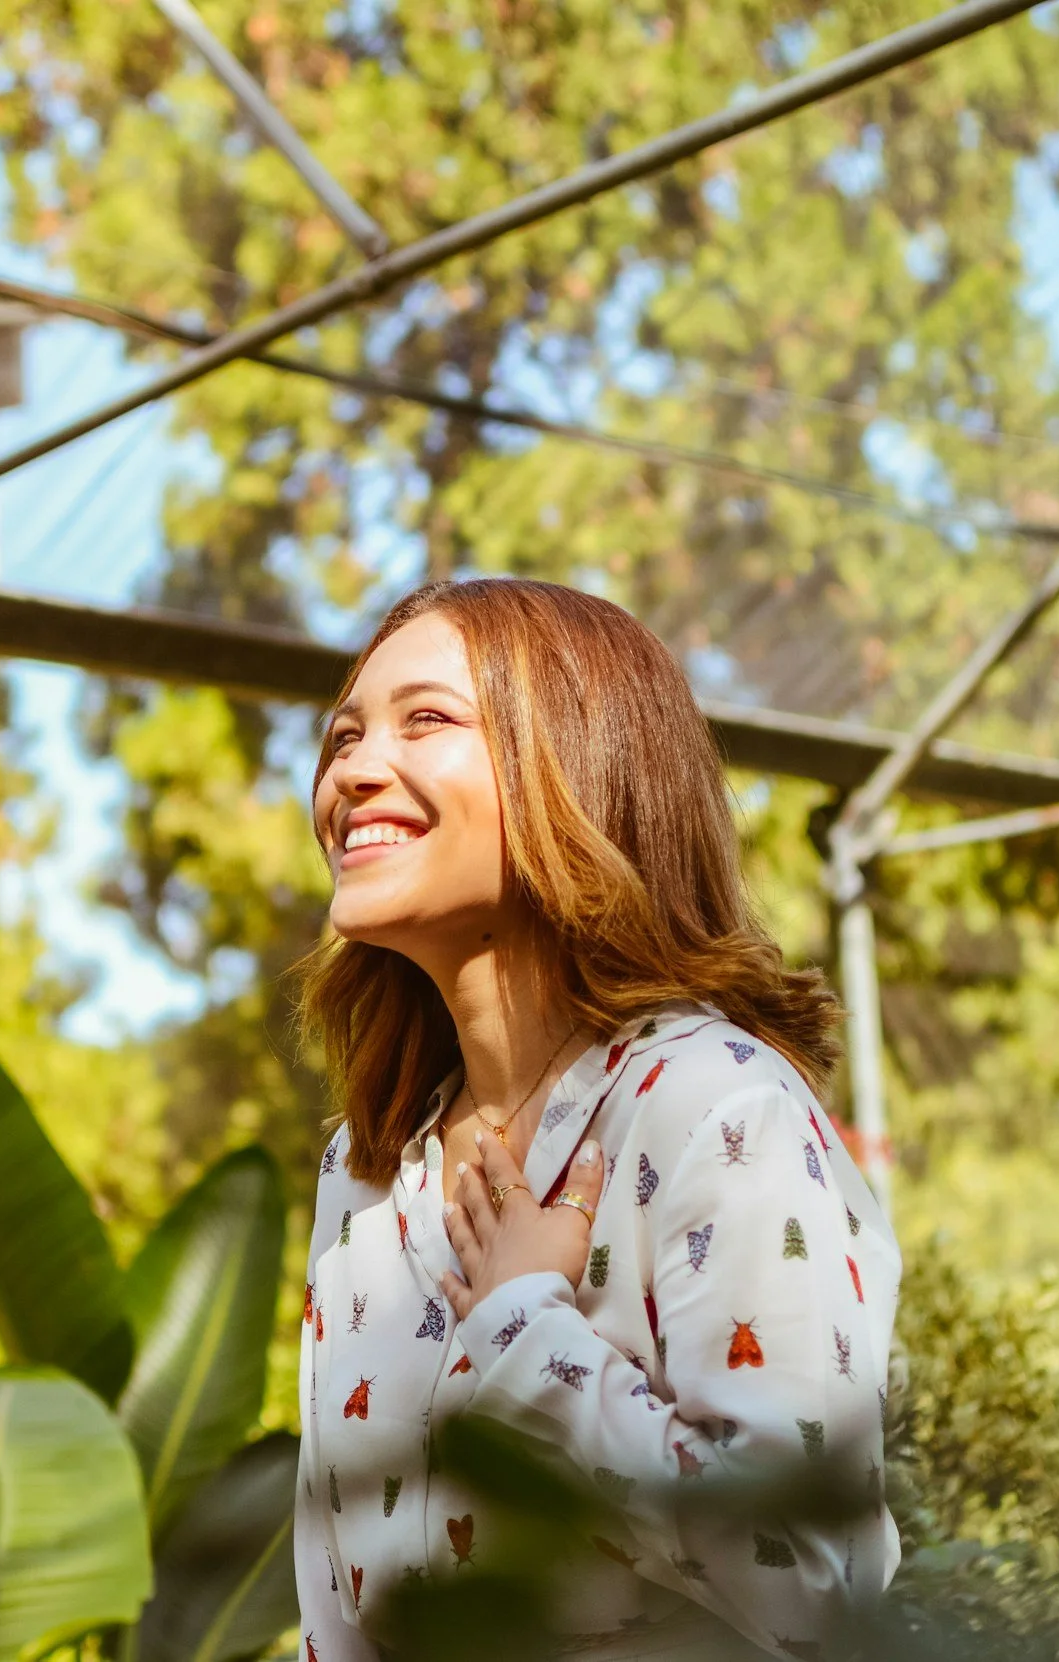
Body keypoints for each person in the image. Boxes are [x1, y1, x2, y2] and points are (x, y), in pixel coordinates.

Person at [296, 577, 902, 1661]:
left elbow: (814, 1582)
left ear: (579, 764)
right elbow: (335, 1606)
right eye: (341, 737)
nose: (351, 769)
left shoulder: (717, 1108)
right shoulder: (366, 1168)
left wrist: (528, 1328)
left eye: (424, 719)